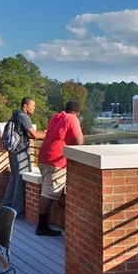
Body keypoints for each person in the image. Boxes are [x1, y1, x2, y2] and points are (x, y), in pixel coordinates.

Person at [36, 100, 85, 236]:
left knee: (47, 190)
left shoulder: (56, 116)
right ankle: (41, 227)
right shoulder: (72, 118)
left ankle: (43, 225)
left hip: (43, 157)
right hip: (56, 160)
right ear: (78, 113)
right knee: (48, 193)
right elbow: (79, 141)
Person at [1, 97, 45, 218]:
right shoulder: (24, 117)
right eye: (32, 105)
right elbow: (34, 135)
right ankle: (16, 211)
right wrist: (47, 133)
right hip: (20, 151)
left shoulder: (16, 114)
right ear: (25, 106)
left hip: (13, 151)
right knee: (20, 180)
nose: (34, 108)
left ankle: (5, 206)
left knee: (14, 178)